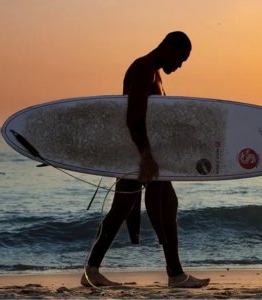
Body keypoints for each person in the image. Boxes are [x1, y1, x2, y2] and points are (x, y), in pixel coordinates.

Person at [81, 31, 210, 288]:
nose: (181, 64)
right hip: (139, 154)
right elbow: (134, 117)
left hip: (143, 153)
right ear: (170, 47)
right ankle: (173, 274)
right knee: (136, 208)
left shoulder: (155, 72)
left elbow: (156, 120)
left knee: (144, 207)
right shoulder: (143, 69)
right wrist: (146, 155)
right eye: (182, 58)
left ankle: (172, 273)